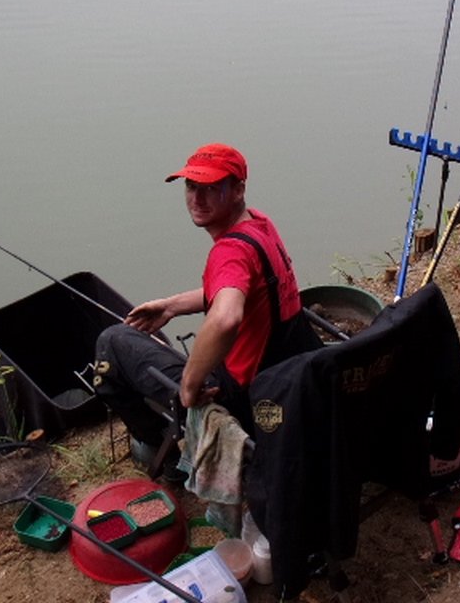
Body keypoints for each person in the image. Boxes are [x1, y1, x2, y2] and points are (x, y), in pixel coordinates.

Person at [92, 142, 321, 475]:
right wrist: (172, 306)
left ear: (238, 189)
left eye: (211, 188)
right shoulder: (259, 226)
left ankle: (163, 451)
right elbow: (246, 292)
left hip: (242, 397)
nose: (197, 199)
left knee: (112, 342)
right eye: (191, 186)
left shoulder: (229, 253)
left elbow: (227, 316)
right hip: (289, 376)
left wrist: (189, 384)